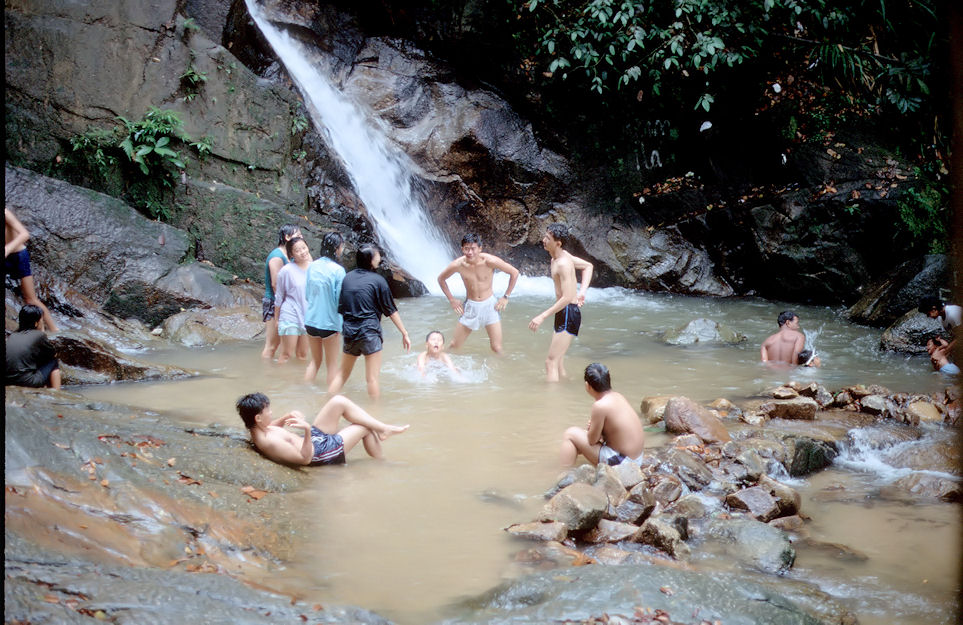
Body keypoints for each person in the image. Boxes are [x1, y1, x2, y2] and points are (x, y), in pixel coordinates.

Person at [328, 243, 411, 399]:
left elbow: (342, 307)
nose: (379, 256)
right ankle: (375, 412)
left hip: (350, 332)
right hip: (369, 333)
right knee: (372, 379)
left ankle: (324, 404)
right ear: (370, 260)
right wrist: (404, 333)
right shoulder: (378, 281)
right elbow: (391, 311)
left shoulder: (348, 278)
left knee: (342, 375)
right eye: (377, 255)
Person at [235, 392, 410, 466]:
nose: (271, 412)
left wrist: (286, 417)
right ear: (258, 418)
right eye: (268, 411)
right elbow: (304, 459)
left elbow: (271, 427)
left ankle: (383, 428)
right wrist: (307, 431)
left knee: (338, 401)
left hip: (315, 441)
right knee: (364, 427)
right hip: (320, 452)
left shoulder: (257, 429)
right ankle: (383, 463)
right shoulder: (269, 442)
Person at [528, 223, 594, 382]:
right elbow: (588, 266)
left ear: (558, 243)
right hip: (564, 312)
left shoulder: (563, 263)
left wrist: (542, 316)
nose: (543, 240)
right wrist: (582, 292)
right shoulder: (559, 257)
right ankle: (565, 391)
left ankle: (552, 401)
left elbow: (567, 297)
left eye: (547, 238)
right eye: (545, 236)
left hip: (568, 313)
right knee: (558, 362)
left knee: (550, 362)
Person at [437, 233, 519, 354]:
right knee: (455, 345)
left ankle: (506, 370)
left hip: (490, 306)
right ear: (462, 249)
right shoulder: (458, 265)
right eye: (466, 248)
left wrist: (505, 297)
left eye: (473, 248)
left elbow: (514, 272)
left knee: (497, 348)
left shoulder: (489, 261)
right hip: (471, 306)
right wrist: (452, 300)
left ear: (480, 248)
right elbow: (441, 279)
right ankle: (438, 364)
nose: (470, 252)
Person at [560, 363, 645, 467]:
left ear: (587, 385)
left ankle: (564, 474)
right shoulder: (618, 396)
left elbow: (592, 440)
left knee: (570, 434)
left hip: (624, 463)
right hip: (636, 458)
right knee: (578, 439)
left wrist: (592, 430)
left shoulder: (600, 406)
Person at [5, 208, 58, 332]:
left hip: (18, 255)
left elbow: (24, 234)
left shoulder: (5, 213)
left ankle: (54, 330)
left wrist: (7, 248)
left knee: (30, 298)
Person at [304, 232, 346, 386]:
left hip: (311, 320)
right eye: (341, 246)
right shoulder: (338, 270)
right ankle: (331, 399)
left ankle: (305, 392)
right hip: (329, 322)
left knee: (315, 362)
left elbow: (307, 294)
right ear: (336, 248)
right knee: (332, 365)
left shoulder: (312, 266)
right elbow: (339, 300)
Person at [262, 224, 301, 359]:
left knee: (286, 345)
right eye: (298, 235)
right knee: (272, 345)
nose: (301, 238)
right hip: (275, 302)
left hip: (288, 303)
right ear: (287, 237)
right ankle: (266, 374)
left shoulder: (290, 255)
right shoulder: (277, 256)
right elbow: (275, 284)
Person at [274, 236, 311, 364]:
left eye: (304, 248)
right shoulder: (286, 271)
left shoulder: (315, 269)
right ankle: (281, 382)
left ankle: (300, 382)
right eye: (297, 250)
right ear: (291, 254)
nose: (302, 252)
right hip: (290, 314)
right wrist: (277, 319)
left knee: (302, 355)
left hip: (308, 316)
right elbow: (279, 296)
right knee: (286, 354)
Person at [5, 304, 61, 389]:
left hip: (8, 381)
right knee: (53, 362)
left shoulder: (12, 336)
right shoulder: (39, 335)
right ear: (36, 323)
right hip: (26, 382)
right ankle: (56, 393)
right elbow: (53, 354)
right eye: (42, 320)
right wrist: (42, 331)